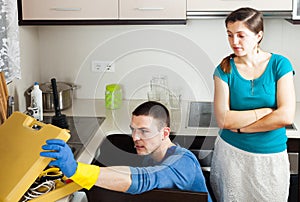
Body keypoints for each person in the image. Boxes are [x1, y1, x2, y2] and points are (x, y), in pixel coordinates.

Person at [41, 101, 212, 201]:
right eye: (133, 129)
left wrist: (77, 170)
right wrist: (81, 173)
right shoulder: (151, 156)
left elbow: (143, 179)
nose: (135, 137)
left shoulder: (182, 163)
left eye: (144, 131)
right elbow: (128, 171)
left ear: (164, 133)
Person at [211, 7, 296, 202]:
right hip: (232, 156)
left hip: (270, 158)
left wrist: (241, 129)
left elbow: (285, 116)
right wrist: (264, 112)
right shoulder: (224, 69)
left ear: (258, 35)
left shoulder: (280, 65)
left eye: (241, 35)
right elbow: (223, 119)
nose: (234, 42)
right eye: (230, 35)